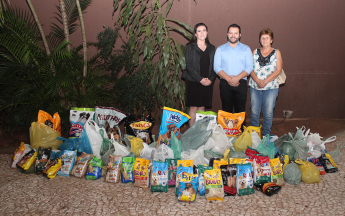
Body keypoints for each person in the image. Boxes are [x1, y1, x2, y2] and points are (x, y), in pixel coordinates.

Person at [248, 28, 283, 136]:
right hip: (255, 86)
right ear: (260, 40)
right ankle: (254, 135)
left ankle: (266, 135)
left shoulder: (277, 52)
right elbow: (250, 68)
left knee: (268, 113)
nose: (264, 40)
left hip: (271, 87)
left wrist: (265, 81)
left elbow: (279, 70)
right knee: (254, 112)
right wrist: (258, 81)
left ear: (271, 40)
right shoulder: (255, 52)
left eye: (267, 37)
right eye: (262, 38)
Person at [214, 24, 253, 117]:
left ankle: (241, 131)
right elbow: (216, 67)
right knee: (226, 110)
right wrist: (228, 79)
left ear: (240, 35)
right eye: (231, 33)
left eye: (236, 33)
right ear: (227, 34)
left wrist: (237, 78)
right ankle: (227, 132)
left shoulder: (246, 49)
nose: (233, 35)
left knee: (241, 110)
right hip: (225, 83)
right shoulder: (220, 49)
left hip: (241, 84)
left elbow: (249, 67)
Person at [182, 23, 216, 127]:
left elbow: (216, 65)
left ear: (207, 33)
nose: (202, 33)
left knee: (202, 108)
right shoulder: (190, 47)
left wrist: (211, 79)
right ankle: (192, 132)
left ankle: (200, 133)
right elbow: (188, 66)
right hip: (193, 81)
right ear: (195, 34)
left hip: (207, 82)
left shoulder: (212, 48)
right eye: (199, 31)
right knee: (193, 107)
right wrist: (200, 79)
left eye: (204, 30)